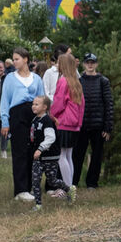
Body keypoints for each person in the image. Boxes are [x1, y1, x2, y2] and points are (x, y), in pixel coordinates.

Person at [0, 48, 46, 201]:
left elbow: (42, 98)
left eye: (17, 59)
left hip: (33, 115)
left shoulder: (37, 79)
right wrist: (5, 122)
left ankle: (29, 187)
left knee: (32, 151)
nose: (14, 62)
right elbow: (5, 101)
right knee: (19, 151)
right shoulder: (10, 78)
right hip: (17, 115)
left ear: (26, 59)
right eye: (13, 59)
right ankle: (20, 190)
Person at [72, 53, 114, 189]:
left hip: (98, 125)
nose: (90, 65)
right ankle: (74, 181)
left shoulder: (103, 81)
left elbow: (109, 104)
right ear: (84, 64)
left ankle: (92, 183)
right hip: (82, 125)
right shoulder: (79, 80)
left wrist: (108, 127)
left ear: (96, 64)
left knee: (97, 156)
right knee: (77, 155)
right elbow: (74, 103)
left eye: (92, 62)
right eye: (87, 62)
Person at [28, 95, 76, 210]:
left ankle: (69, 190)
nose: (33, 106)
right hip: (38, 159)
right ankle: (38, 205)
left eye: (36, 104)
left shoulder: (47, 121)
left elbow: (50, 138)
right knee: (35, 180)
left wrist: (40, 149)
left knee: (52, 180)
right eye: (33, 104)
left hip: (50, 157)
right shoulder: (34, 120)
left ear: (45, 107)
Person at [52, 53, 84, 186]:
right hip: (74, 124)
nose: (57, 65)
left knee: (61, 157)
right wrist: (79, 124)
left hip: (63, 123)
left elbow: (59, 103)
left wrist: (52, 115)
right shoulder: (76, 82)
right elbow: (82, 106)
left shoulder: (63, 81)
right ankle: (71, 187)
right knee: (68, 156)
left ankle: (69, 188)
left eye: (59, 63)